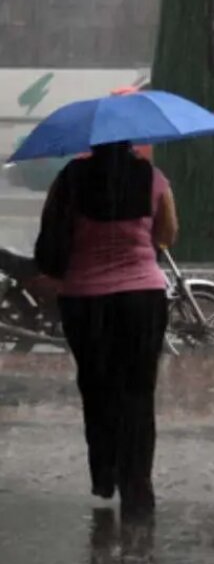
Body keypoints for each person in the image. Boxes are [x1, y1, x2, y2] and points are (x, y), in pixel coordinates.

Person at [35, 141, 178, 518]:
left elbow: (51, 236)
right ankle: (138, 486)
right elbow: (167, 234)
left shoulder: (70, 179)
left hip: (85, 299)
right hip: (142, 297)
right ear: (130, 143)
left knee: (96, 386)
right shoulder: (154, 178)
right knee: (138, 391)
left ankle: (104, 473)